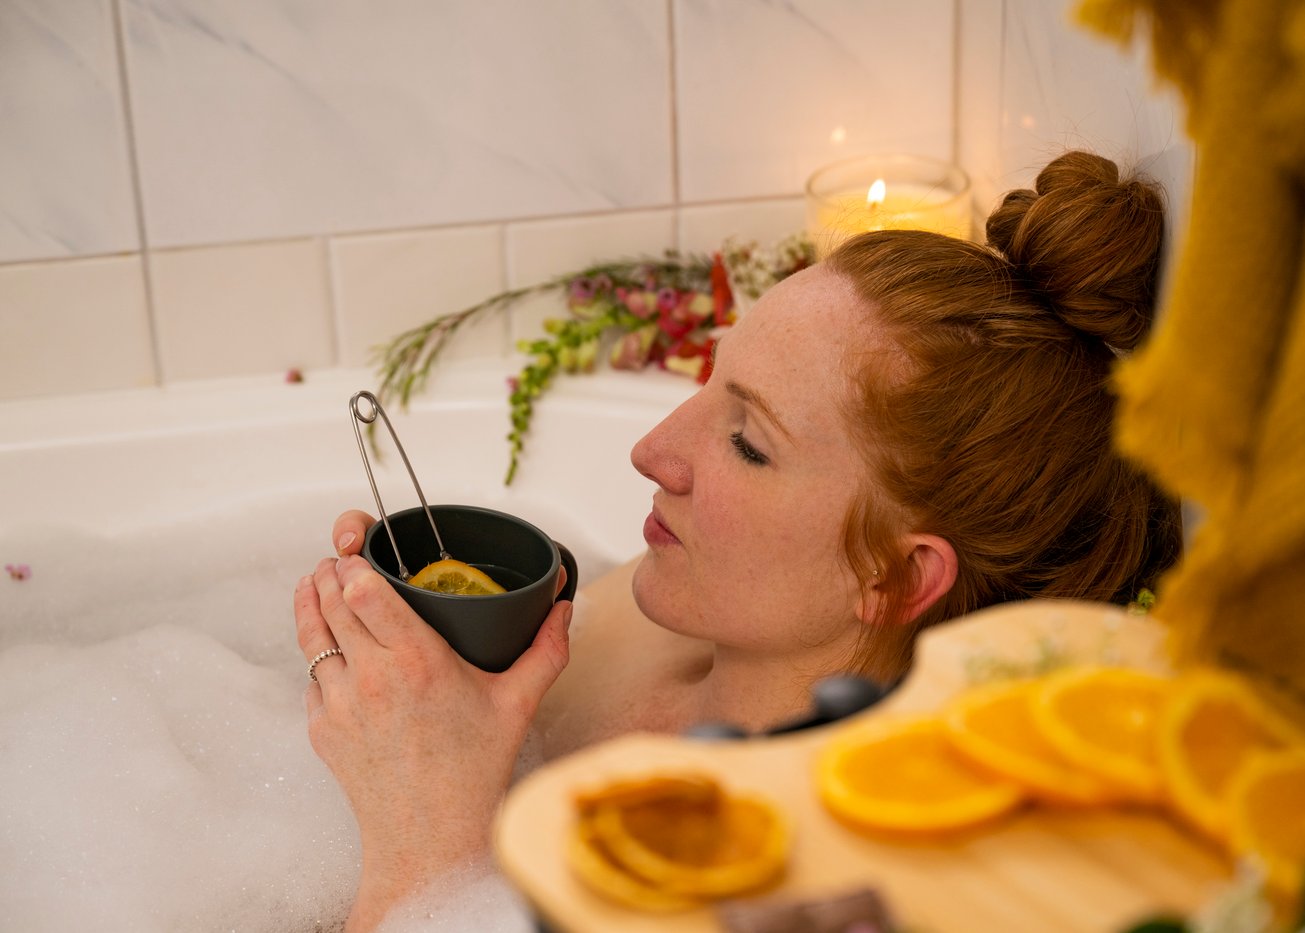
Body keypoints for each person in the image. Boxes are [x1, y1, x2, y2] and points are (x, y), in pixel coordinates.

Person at [293, 149, 1182, 930]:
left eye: (748, 442)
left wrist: (425, 865)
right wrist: (420, 652)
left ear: (897, 573)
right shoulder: (660, 615)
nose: (651, 451)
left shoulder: (804, 885)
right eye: (713, 381)